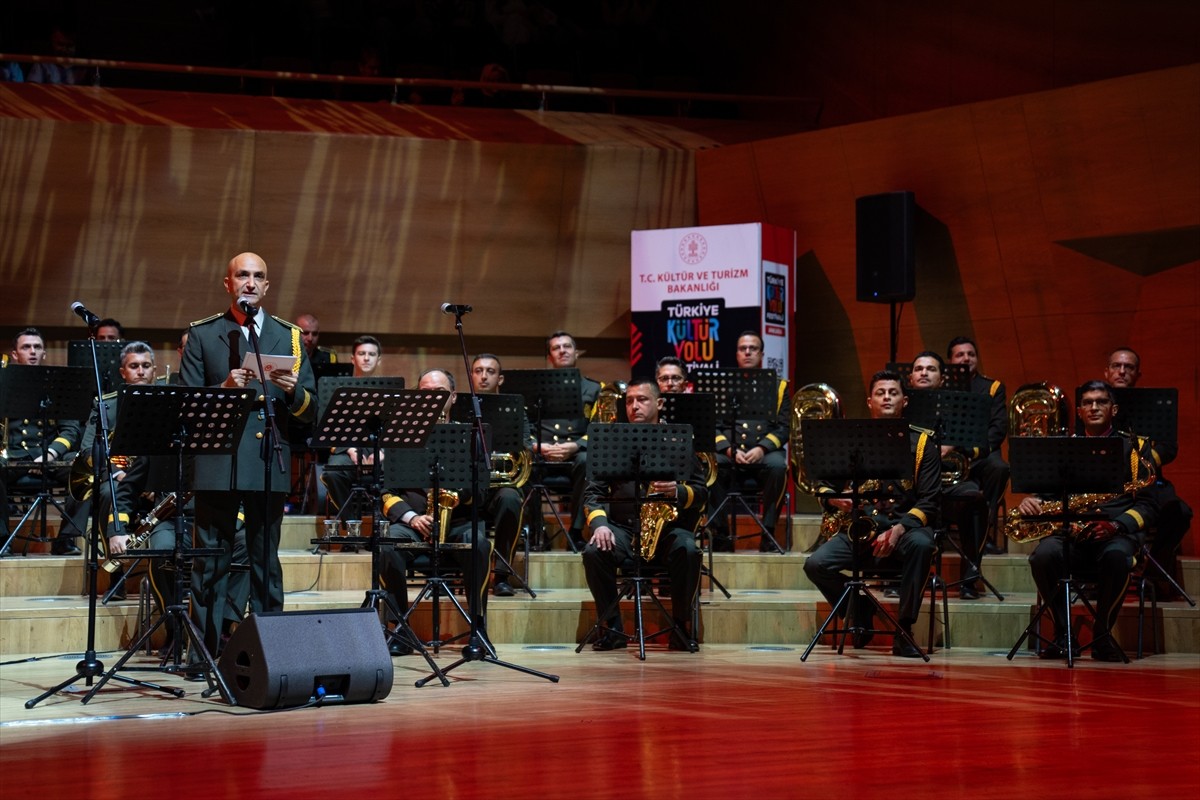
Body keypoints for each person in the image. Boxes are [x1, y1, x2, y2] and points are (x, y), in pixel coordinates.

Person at [180, 252, 316, 665]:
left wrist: (293, 390)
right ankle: (204, 654)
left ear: (267, 286)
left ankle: (272, 654)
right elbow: (186, 407)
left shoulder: (288, 336)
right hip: (218, 457)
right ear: (228, 283)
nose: (250, 283)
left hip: (267, 453)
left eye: (258, 276)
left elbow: (311, 411)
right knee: (211, 562)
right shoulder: (204, 333)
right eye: (242, 275)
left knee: (265, 561)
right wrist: (224, 389)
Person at [1016, 380, 1159, 661]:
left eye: (1101, 401)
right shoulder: (1064, 446)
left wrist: (1116, 525)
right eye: (1087, 403)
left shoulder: (1136, 447)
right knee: (1042, 556)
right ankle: (1063, 634)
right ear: (1079, 411)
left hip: (1115, 535)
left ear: (1113, 409)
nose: (1094, 407)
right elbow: (1047, 492)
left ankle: (1102, 636)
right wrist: (1032, 501)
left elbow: (1149, 505)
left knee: (1117, 557)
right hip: (1071, 533)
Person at [803, 370, 939, 658]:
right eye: (880, 393)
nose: (886, 397)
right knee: (815, 564)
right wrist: (834, 499)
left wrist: (899, 530)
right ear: (869, 401)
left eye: (893, 392)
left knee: (923, 544)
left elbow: (930, 500)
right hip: (862, 531)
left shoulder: (923, 443)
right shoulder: (850, 439)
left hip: (905, 532)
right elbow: (823, 485)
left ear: (904, 401)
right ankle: (859, 610)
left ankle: (904, 630)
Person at [581, 378, 705, 652]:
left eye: (642, 400)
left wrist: (677, 491)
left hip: (667, 532)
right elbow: (592, 493)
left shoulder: (678, 440)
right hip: (623, 530)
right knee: (594, 551)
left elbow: (701, 492)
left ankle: (681, 627)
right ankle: (612, 628)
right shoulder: (610, 442)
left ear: (659, 403)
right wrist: (600, 525)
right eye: (629, 401)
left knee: (688, 549)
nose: (634, 406)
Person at [378, 368, 492, 655]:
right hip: (415, 524)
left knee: (479, 545)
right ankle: (399, 629)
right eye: (425, 393)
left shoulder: (472, 435)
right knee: (387, 545)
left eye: (439, 393)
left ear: (453, 397)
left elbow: (481, 491)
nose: (431, 399)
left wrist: (453, 497)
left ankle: (478, 630)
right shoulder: (401, 435)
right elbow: (386, 491)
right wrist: (413, 518)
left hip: (458, 523)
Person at [63, 341, 158, 592]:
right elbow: (88, 451)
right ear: (122, 372)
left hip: (157, 484)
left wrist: (155, 481)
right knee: (107, 493)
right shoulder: (106, 405)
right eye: (134, 366)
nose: (140, 371)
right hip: (119, 481)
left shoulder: (167, 402)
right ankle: (116, 575)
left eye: (146, 365)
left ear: (154, 370)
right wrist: (117, 474)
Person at [1102, 347, 1191, 596]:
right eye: (1116, 366)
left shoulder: (1156, 406)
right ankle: (1100, 577)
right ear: (1106, 372)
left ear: (1138, 374)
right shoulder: (1095, 404)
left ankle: (1152, 575)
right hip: (1105, 484)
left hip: (1147, 481)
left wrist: (1139, 463)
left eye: (1128, 367)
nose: (1122, 371)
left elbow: (1169, 448)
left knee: (1180, 512)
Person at [908, 350, 990, 598]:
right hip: (912, 486)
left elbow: (983, 446)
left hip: (948, 484)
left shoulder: (959, 408)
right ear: (910, 378)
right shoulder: (900, 405)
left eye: (931, 369)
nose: (924, 373)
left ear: (942, 379)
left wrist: (952, 445)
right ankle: (899, 577)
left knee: (975, 498)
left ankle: (970, 577)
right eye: (919, 369)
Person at [2, 328, 83, 556]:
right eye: (26, 347)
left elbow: (70, 430)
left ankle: (65, 539)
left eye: (37, 347)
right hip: (13, 457)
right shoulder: (4, 384)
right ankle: (2, 539)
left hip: (48, 456)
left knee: (85, 470)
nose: (32, 351)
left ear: (44, 353)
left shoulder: (58, 386)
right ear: (15, 354)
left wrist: (50, 454)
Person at [709, 331, 790, 552]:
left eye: (752, 348)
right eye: (742, 348)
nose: (747, 352)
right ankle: (720, 535)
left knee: (778, 467)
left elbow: (784, 427)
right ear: (736, 354)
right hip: (730, 453)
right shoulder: (722, 386)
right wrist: (728, 450)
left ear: (762, 354)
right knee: (710, 466)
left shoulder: (779, 387)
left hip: (764, 454)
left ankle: (768, 533)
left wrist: (762, 448)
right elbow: (713, 426)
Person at [533, 331, 601, 549]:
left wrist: (575, 446)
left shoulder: (594, 389)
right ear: (549, 357)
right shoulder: (535, 388)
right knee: (523, 464)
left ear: (576, 352)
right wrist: (538, 446)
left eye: (567, 346)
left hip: (576, 456)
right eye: (556, 348)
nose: (562, 351)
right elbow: (526, 426)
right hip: (542, 455)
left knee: (588, 460)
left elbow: (599, 428)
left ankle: (577, 531)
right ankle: (536, 532)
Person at [470, 353, 525, 596]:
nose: (483, 376)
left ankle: (501, 575)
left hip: (498, 486)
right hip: (467, 485)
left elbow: (525, 446)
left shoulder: (514, 409)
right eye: (478, 371)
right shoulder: (459, 407)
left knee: (511, 499)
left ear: (500, 379)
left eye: (490, 371)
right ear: (471, 375)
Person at [947, 336, 1010, 549]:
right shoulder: (942, 387)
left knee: (1000, 468)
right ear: (950, 361)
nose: (966, 358)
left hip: (982, 454)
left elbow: (998, 428)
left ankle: (984, 532)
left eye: (971, 354)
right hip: (951, 455)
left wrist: (972, 451)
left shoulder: (993, 387)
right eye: (960, 355)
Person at [321, 335, 388, 517]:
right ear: (353, 358)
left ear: (378, 360)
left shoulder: (388, 390)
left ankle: (386, 523)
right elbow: (330, 427)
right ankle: (351, 523)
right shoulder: (337, 390)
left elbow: (393, 429)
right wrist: (350, 450)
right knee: (333, 474)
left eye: (371, 354)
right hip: (346, 450)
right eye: (361, 353)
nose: (366, 358)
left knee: (400, 471)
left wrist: (382, 452)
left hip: (379, 451)